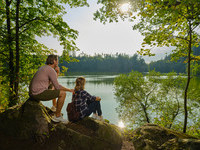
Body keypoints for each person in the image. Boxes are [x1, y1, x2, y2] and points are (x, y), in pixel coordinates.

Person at [29, 54, 73, 123]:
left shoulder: (44, 68)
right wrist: (69, 90)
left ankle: (54, 107)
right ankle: (57, 116)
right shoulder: (50, 70)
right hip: (37, 93)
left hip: (33, 93)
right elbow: (58, 86)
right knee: (63, 94)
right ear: (54, 61)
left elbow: (53, 83)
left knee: (53, 87)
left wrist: (57, 73)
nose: (58, 62)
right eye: (57, 60)